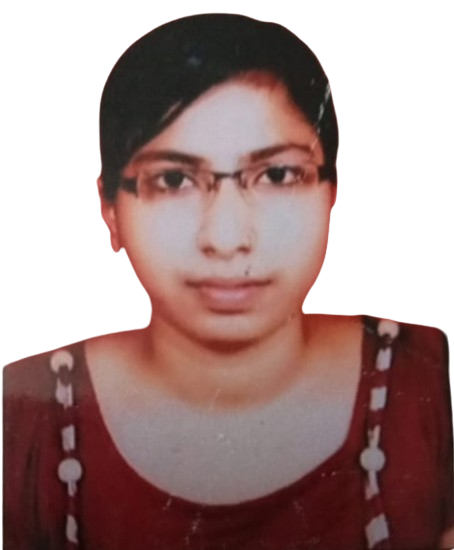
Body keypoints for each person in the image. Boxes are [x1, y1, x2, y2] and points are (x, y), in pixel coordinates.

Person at [3, 13, 453, 550]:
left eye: (277, 175)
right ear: (110, 210)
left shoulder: (424, 378)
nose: (227, 237)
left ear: (332, 191)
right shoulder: (26, 417)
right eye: (174, 180)